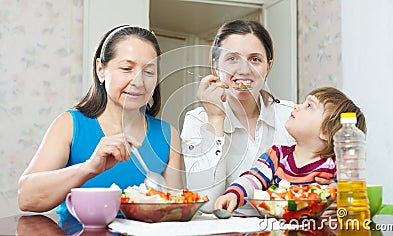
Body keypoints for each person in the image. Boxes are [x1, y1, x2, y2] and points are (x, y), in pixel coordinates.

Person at [18, 25, 183, 217]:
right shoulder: (70, 124)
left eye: (149, 72)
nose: (138, 82)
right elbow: (26, 198)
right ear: (101, 70)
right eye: (127, 68)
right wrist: (88, 168)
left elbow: (176, 211)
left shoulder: (168, 135)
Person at [181, 19, 297, 214]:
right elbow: (207, 203)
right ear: (215, 65)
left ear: (268, 66)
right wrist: (216, 120)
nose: (244, 70)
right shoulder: (198, 120)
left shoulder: (291, 116)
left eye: (255, 59)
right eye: (232, 59)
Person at [214, 87, 366, 212]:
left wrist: (340, 195)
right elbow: (252, 179)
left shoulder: (334, 166)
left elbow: (354, 197)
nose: (296, 106)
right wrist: (234, 194)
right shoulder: (276, 156)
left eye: (309, 106)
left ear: (325, 132)